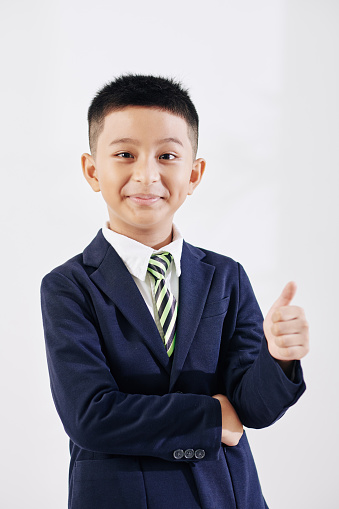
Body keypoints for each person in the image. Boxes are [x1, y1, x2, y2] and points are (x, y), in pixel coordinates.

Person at [40, 74, 309, 509]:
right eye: (125, 154)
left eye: (167, 155)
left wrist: (276, 357)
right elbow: (90, 415)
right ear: (93, 170)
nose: (146, 174)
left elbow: (251, 410)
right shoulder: (68, 286)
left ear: (194, 174)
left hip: (227, 495)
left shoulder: (227, 276)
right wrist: (210, 416)